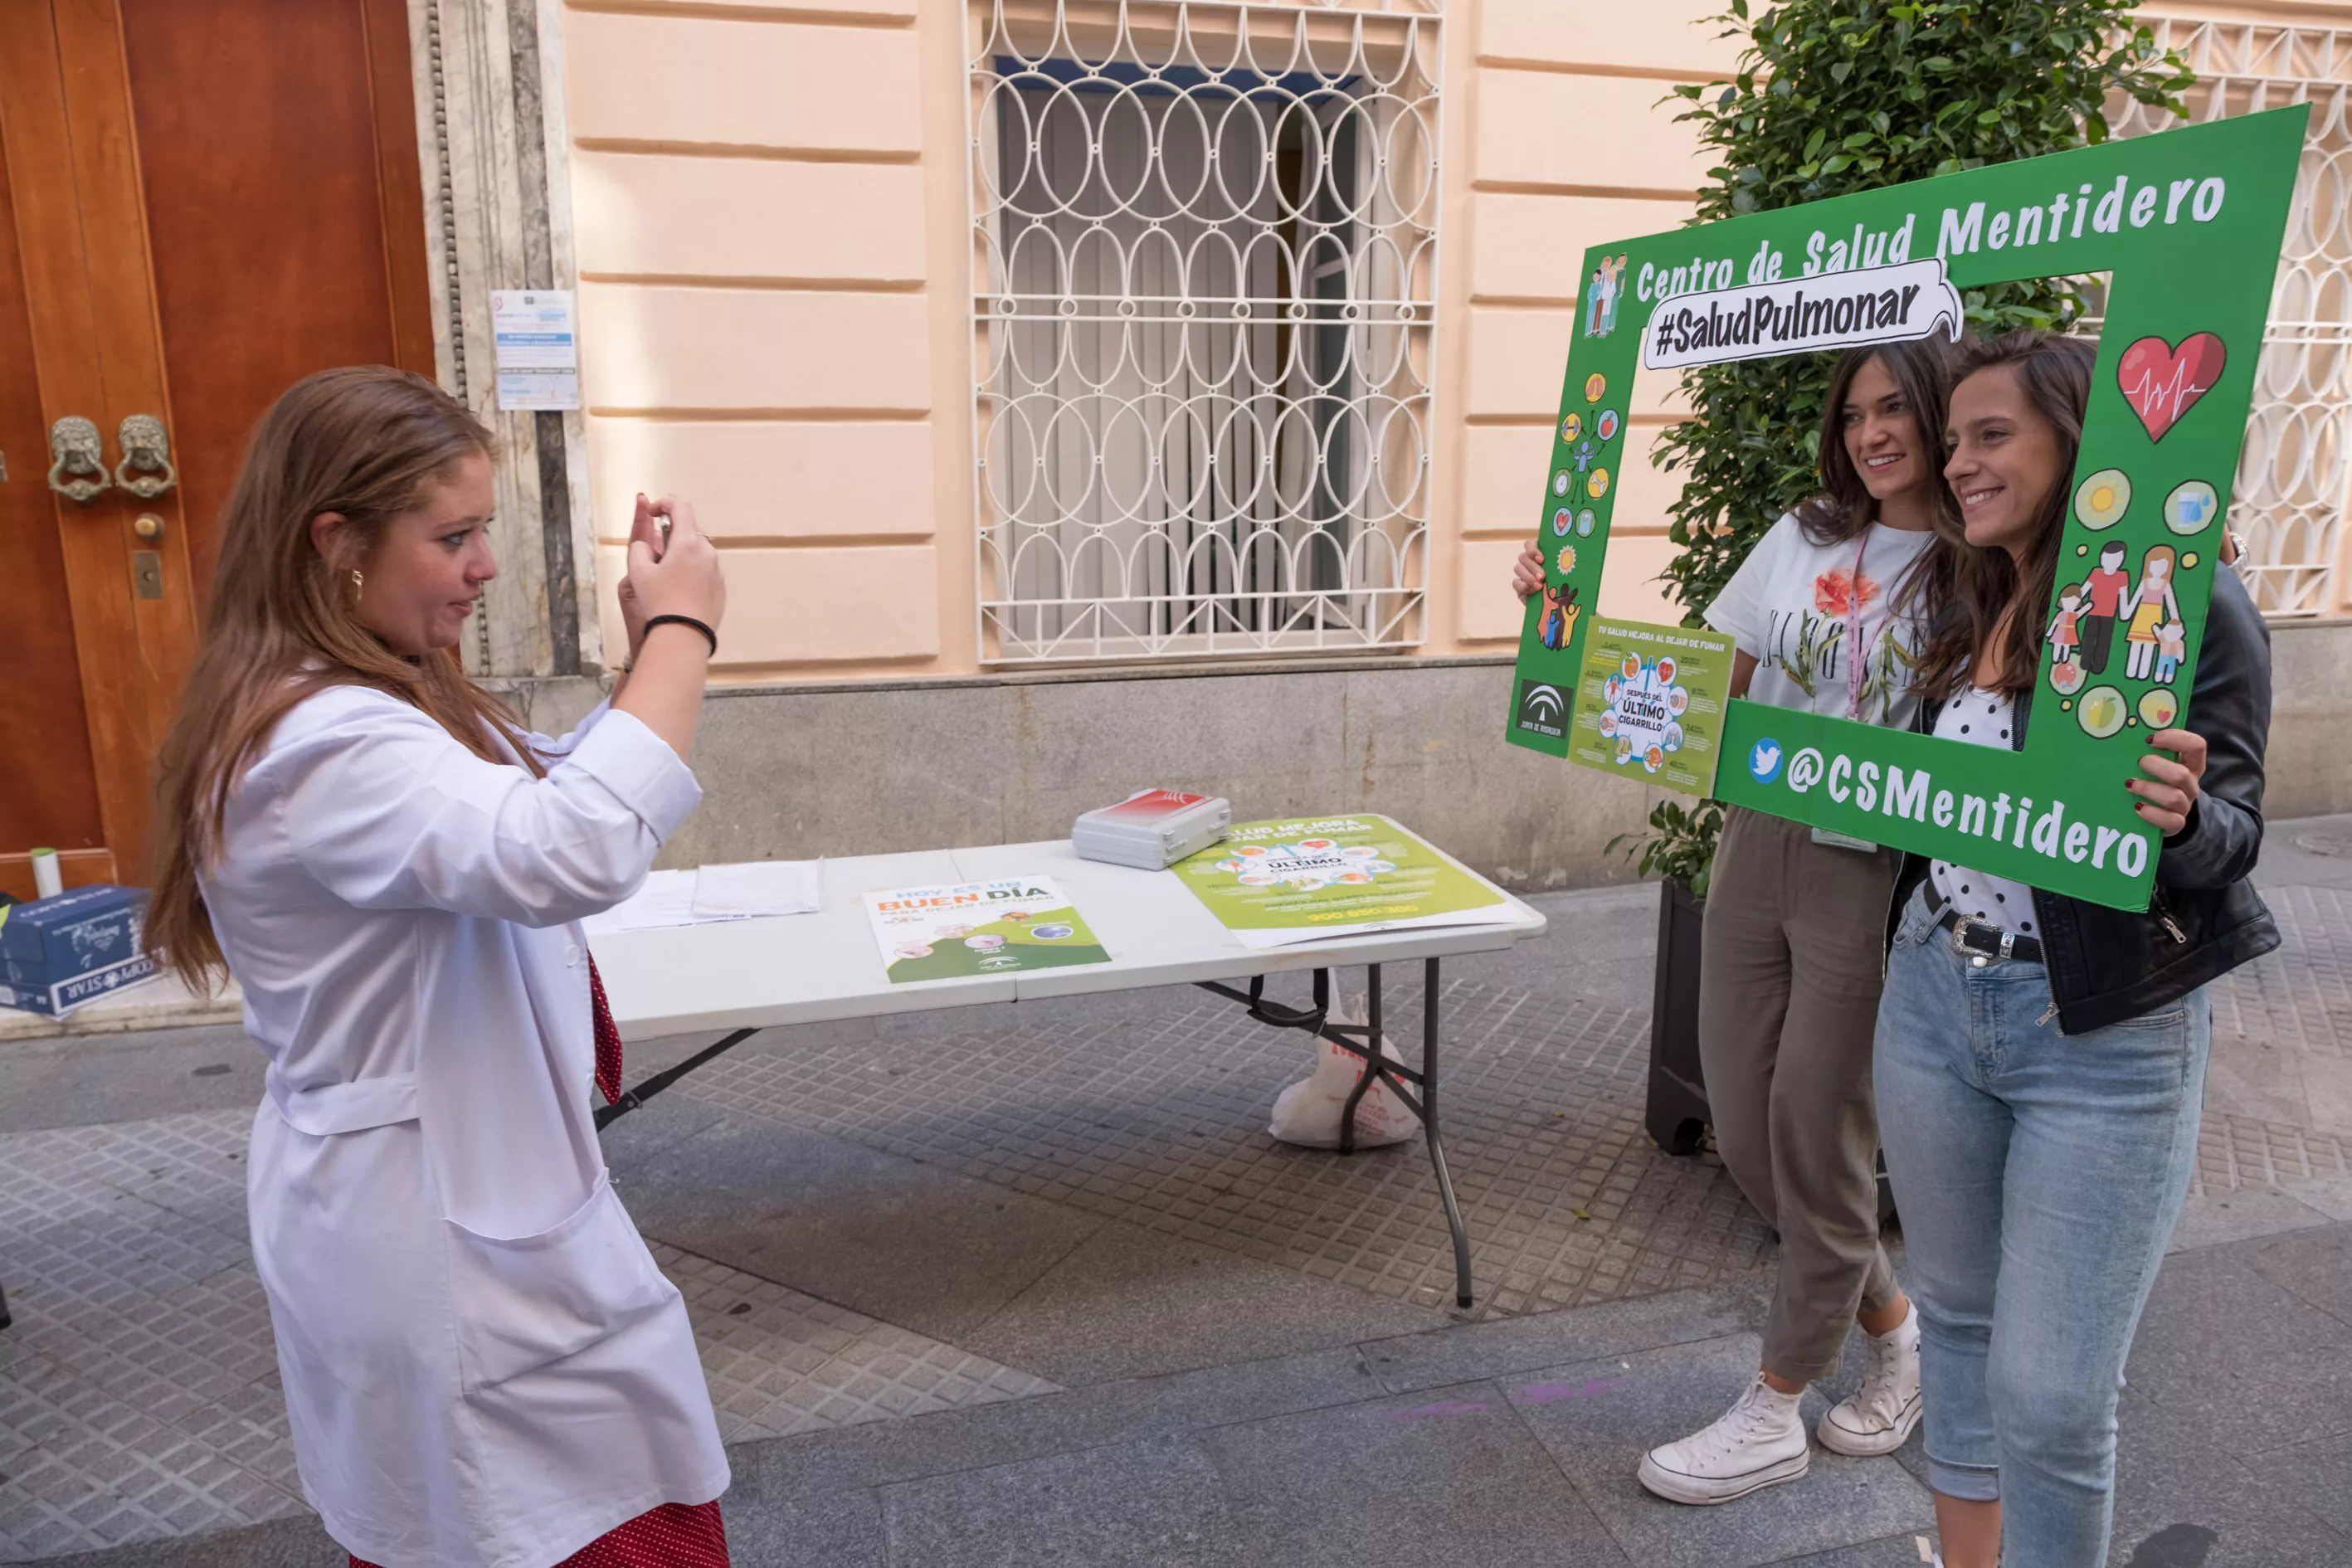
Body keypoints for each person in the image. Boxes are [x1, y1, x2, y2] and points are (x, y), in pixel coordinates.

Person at [144, 367, 735, 1568]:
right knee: (542, 1529)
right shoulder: (319, 739)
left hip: (447, 1202)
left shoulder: (366, 698)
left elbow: (538, 786)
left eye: (486, 534)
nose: (483, 567)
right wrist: (685, 630)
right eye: (453, 536)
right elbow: (566, 844)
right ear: (335, 543)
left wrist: (637, 658)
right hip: (435, 1237)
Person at [1514, 341, 1956, 1504]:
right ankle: (1896, 1330)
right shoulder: (1804, 534)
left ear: (1934, 411)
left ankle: (1771, 1403)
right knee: (1753, 1133)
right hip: (1758, 832)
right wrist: (1561, 622)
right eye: (1852, 411)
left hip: (1874, 862)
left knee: (1816, 1125)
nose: (1869, 433)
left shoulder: (1974, 559)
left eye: (1892, 407)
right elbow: (1708, 686)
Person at [1877, 331, 2277, 1568]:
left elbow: (2235, 832)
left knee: (2049, 1395)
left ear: (2078, 440)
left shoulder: (2182, 601)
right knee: (1950, 1319)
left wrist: (2180, 815)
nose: (1957, 463)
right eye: (1952, 443)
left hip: (2099, 1030)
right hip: (1933, 992)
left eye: (1988, 435)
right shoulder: (1967, 585)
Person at [2121, 543, 2182, 680]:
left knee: (2149, 647)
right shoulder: (2144, 582)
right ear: (2149, 565)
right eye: (2155, 564)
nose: (2159, 568)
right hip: (2141, 618)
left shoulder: (2166, 585)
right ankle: (2131, 671)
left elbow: (2171, 605)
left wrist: (2177, 623)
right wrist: (2127, 612)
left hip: (2154, 620)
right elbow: (2135, 599)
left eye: (2163, 565)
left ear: (2168, 567)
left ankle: (2143, 673)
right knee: (2135, 645)